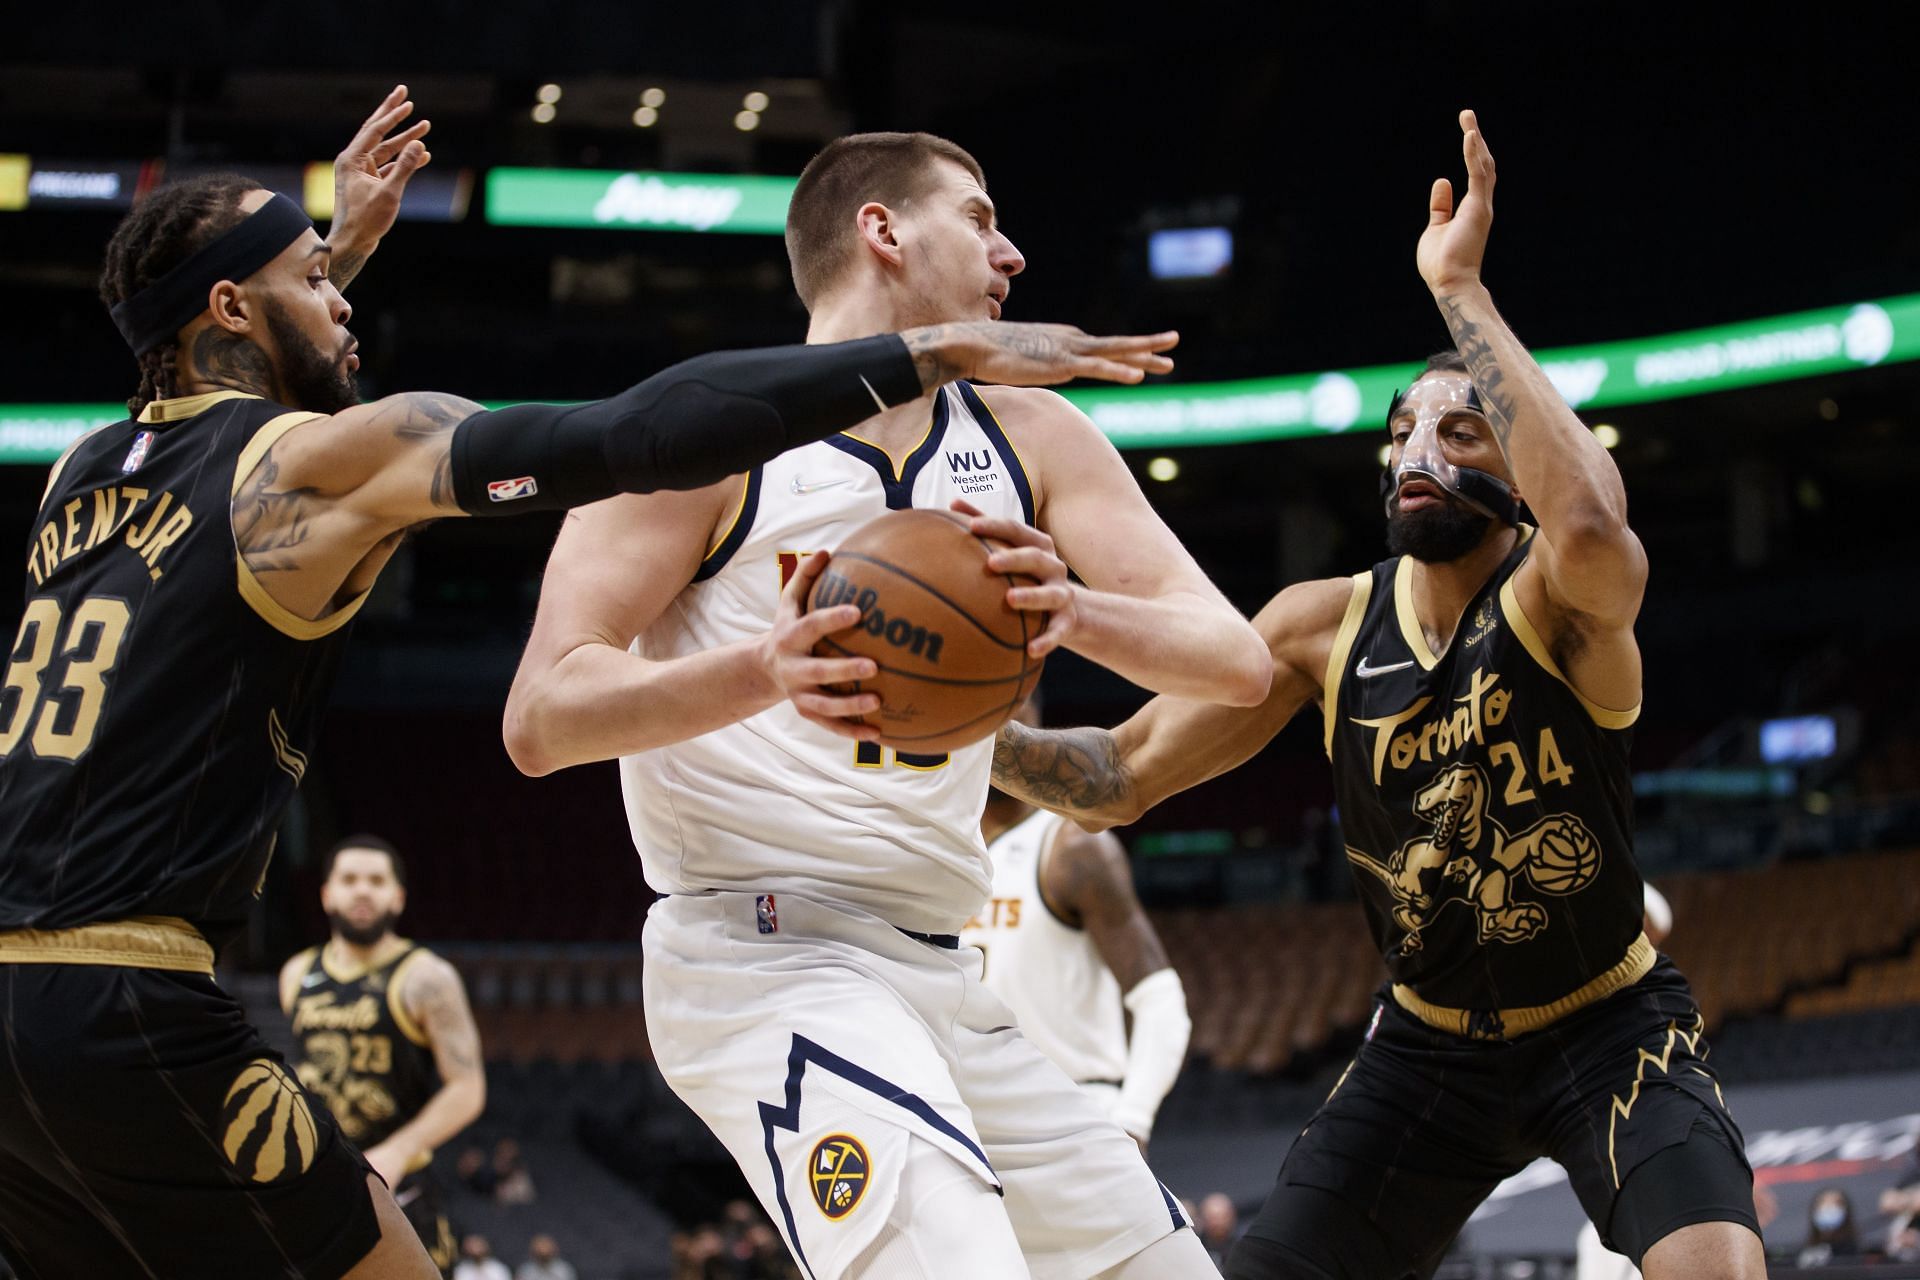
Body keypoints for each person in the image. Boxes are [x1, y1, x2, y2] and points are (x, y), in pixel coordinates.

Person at [0, 83, 1175, 1280]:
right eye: (319, 281)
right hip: (128, 995)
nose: (346, 302)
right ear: (233, 303)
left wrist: (320, 254)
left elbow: (204, 386)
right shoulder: (306, 470)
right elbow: (628, 435)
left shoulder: (83, 475)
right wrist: (931, 350)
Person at [989, 112, 1763, 1280]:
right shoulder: (1322, 622)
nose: (1417, 451)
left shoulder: (1563, 600)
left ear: (1519, 469)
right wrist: (958, 730)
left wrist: (1462, 296)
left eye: (1461, 430)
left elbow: (1593, 518)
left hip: (1608, 1027)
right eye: (1402, 430)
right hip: (1425, 1052)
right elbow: (1121, 775)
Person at [505, 130, 1270, 1279]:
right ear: (882, 228)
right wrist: (765, 667)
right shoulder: (709, 435)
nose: (1010, 254)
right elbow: (543, 714)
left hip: (939, 966)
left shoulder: (1034, 436)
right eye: (978, 216)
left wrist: (1074, 607)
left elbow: (1237, 661)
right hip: (763, 952)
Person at [959, 697, 1191, 1153]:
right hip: (970, 1120)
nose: (999, 731)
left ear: (1037, 723)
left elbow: (1162, 1002)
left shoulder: (1072, 846)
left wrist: (1133, 1119)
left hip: (1074, 1112)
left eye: (1013, 713)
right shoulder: (940, 847)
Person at [281, 835, 483, 1275]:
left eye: (376, 880)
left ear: (398, 897)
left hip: (401, 1188)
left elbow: (468, 1088)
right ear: (326, 894)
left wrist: (395, 1151)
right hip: (319, 1185)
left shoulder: (427, 977)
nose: (362, 890)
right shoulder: (296, 973)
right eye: (349, 879)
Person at [1797, 1188, 1860, 1267]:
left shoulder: (1855, 1251)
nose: (1829, 1207)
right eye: (1823, 1202)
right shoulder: (1804, 1250)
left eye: (1837, 1203)